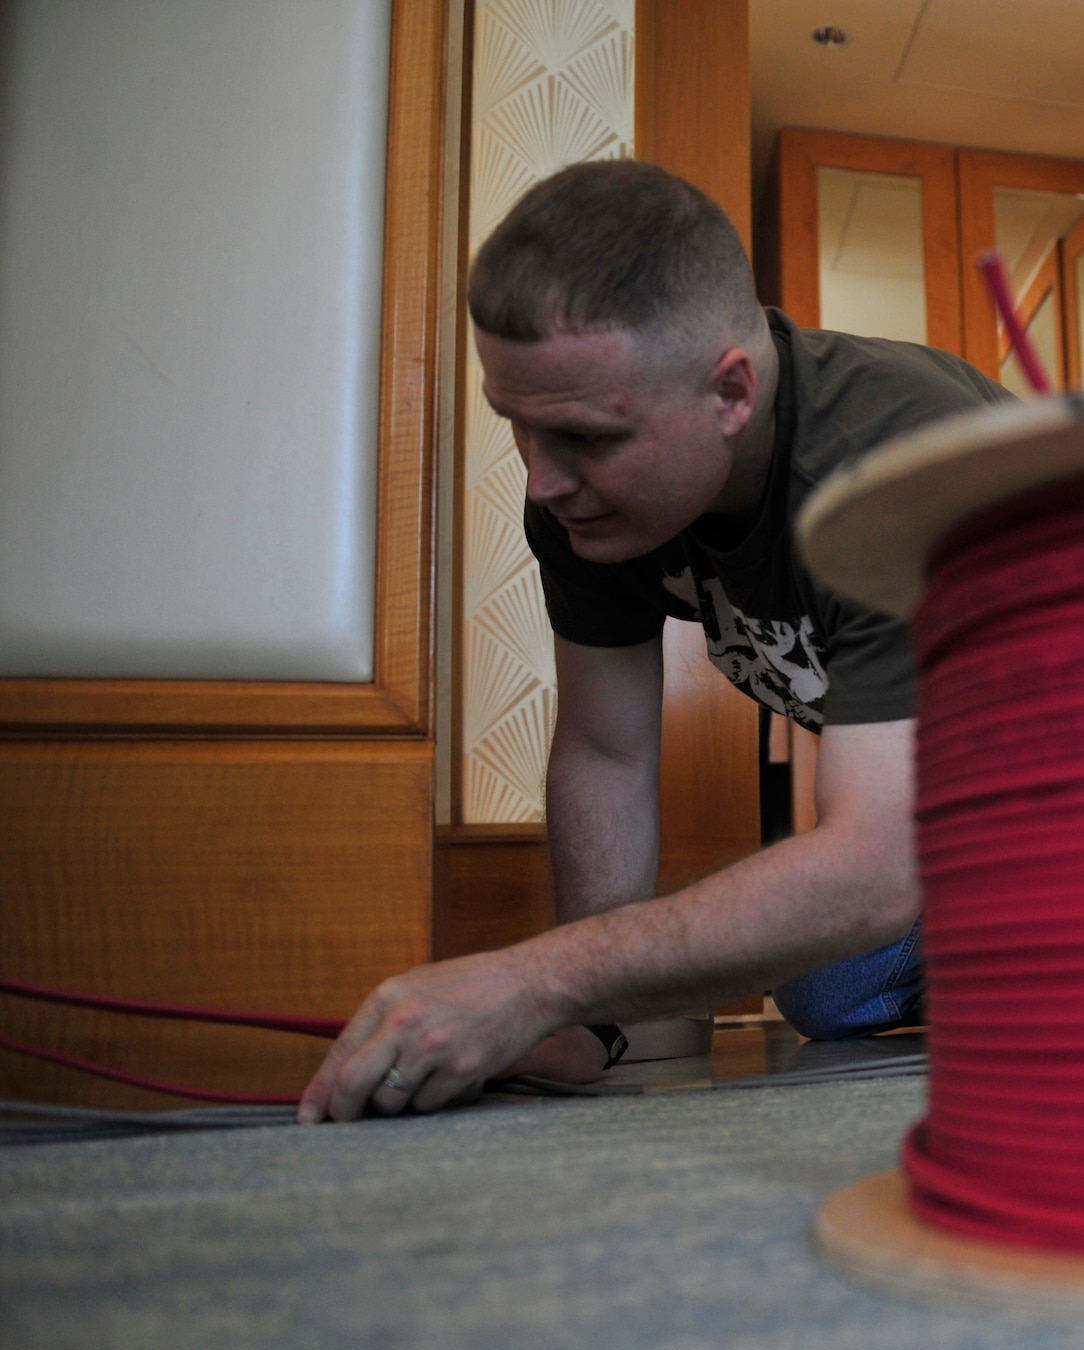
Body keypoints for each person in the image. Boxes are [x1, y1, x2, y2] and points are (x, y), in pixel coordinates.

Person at [298, 160, 1010, 1124]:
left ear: (730, 393)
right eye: (520, 428)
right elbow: (606, 745)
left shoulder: (899, 465)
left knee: (871, 922)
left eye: (586, 438)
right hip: (964, 830)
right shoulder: (588, 506)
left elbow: (876, 869)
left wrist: (539, 980)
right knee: (823, 991)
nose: (544, 481)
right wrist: (584, 1021)